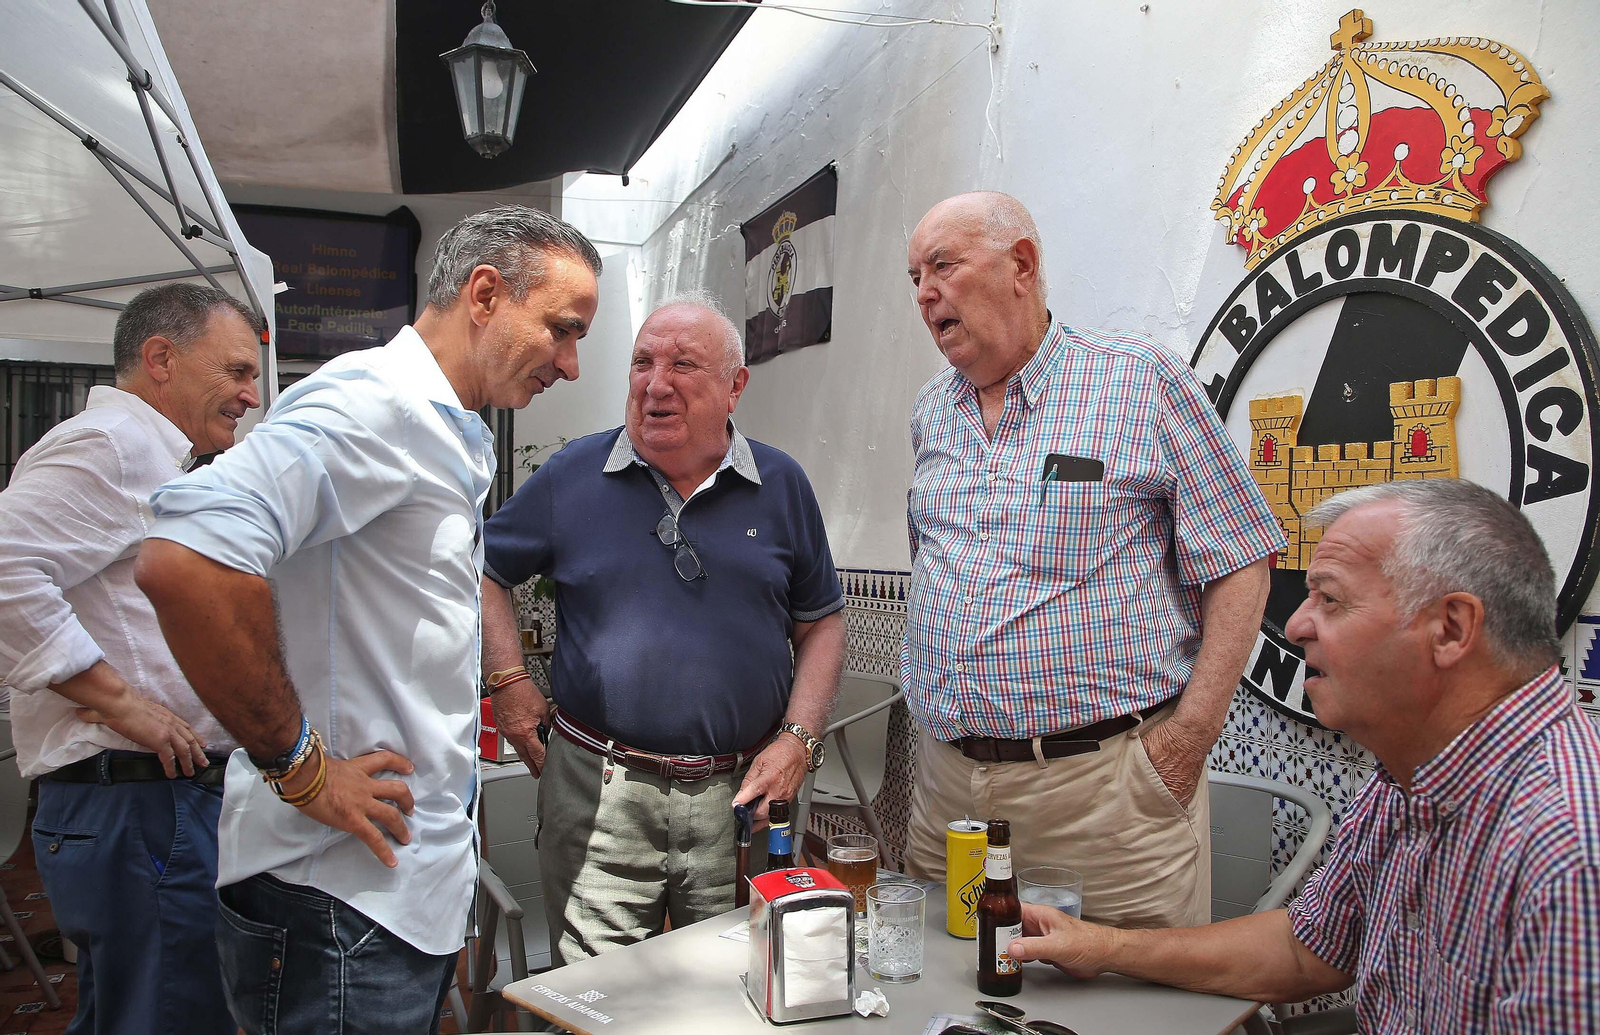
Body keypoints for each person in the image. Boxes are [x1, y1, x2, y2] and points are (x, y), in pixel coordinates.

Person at [132, 206, 601, 1035]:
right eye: (562, 330)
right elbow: (186, 557)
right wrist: (302, 765)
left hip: (382, 902)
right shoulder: (379, 406)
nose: (569, 363)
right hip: (336, 907)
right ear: (484, 294)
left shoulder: (441, 424)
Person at [1008, 479, 1600, 1033]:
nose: (1295, 625)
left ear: (1450, 629)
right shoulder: (1407, 776)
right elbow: (1306, 949)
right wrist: (1103, 948)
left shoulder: (1570, 855)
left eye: (1331, 600)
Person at [901, 191, 1282, 927]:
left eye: (942, 265)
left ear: (1022, 263)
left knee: (1121, 1008)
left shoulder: (1140, 382)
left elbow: (1242, 559)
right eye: (914, 276)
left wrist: (1184, 744)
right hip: (949, 791)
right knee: (951, 992)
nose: (925, 292)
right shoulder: (930, 412)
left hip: (1104, 798)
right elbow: (930, 566)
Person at [480, 292, 846, 964]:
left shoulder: (782, 484)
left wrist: (798, 739)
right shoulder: (572, 475)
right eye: (642, 363)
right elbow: (480, 565)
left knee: (738, 985)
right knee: (600, 999)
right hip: (600, 793)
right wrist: (507, 680)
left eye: (683, 365)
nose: (655, 385)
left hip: (741, 801)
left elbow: (821, 621)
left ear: (735, 386)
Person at [0, 282, 262, 1035]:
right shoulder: (113, 443)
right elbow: (6, 562)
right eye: (237, 372)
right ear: (161, 359)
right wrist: (119, 699)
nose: (250, 394)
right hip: (136, 800)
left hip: (149, 803)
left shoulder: (156, 454)